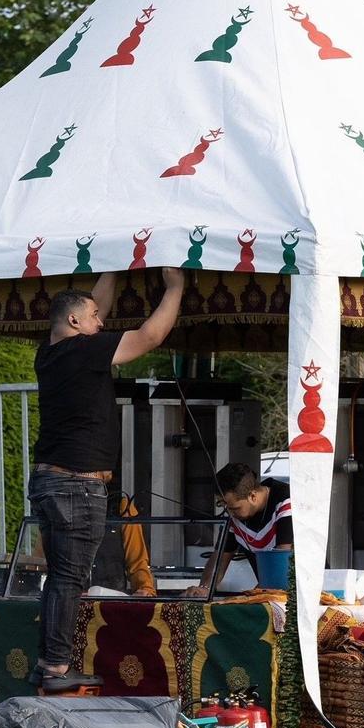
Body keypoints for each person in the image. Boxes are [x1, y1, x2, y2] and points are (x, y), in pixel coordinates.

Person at [29, 268, 184, 691]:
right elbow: (149, 337)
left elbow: (92, 304)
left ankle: (48, 662)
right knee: (68, 577)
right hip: (77, 484)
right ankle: (57, 666)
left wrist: (115, 268)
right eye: (95, 316)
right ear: (76, 322)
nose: (103, 321)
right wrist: (175, 288)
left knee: (61, 573)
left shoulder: (50, 352)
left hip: (50, 481)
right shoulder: (83, 351)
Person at [212, 460, 292, 592]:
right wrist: (204, 588)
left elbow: (282, 557)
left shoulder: (285, 500)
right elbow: (220, 557)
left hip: (303, 595)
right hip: (270, 593)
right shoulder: (236, 515)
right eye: (223, 506)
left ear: (253, 496)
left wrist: (255, 595)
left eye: (234, 508)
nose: (230, 513)